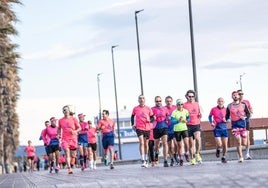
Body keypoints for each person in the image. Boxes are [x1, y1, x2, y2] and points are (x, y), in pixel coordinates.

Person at [225, 91, 250, 162]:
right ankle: (240, 157)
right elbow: (227, 115)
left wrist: (245, 117)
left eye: (236, 95)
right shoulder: (229, 106)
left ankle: (243, 153)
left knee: (244, 143)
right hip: (234, 126)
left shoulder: (243, 105)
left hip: (242, 125)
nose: (235, 96)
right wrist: (228, 119)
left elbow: (248, 114)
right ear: (232, 97)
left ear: (239, 96)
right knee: (238, 141)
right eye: (234, 95)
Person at [131, 95, 154, 168]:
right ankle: (143, 159)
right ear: (138, 100)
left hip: (147, 128)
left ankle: (146, 159)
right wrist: (132, 124)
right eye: (140, 98)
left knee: (146, 144)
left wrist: (149, 120)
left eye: (143, 98)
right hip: (139, 127)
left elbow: (152, 117)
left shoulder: (148, 108)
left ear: (145, 100)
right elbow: (132, 116)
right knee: (141, 142)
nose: (141, 100)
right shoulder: (135, 108)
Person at [58, 105, 81, 174]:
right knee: (67, 153)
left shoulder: (74, 119)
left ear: (69, 111)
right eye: (64, 110)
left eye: (67, 110)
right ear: (63, 112)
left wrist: (75, 131)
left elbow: (79, 128)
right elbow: (59, 128)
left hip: (73, 138)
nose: (65, 111)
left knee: (73, 155)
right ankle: (69, 168)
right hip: (65, 139)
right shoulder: (60, 120)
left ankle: (71, 164)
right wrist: (59, 135)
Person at [183, 90, 202, 165]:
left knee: (198, 139)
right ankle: (192, 158)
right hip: (188, 125)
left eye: (192, 96)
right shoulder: (184, 105)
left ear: (194, 97)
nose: (191, 98)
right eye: (189, 96)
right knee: (191, 144)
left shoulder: (197, 104)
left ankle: (197, 153)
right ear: (187, 96)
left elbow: (200, 112)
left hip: (196, 124)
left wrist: (200, 114)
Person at [208, 97, 229, 163]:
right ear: (217, 102)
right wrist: (211, 122)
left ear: (224, 102)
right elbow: (209, 116)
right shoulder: (213, 109)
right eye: (219, 101)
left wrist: (227, 120)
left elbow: (230, 118)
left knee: (225, 144)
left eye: (222, 101)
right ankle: (218, 149)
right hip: (217, 128)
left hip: (224, 127)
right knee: (219, 144)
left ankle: (224, 157)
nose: (220, 102)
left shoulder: (227, 109)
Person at [151, 96, 170, 167]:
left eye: (159, 101)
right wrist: (153, 118)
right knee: (156, 146)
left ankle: (165, 160)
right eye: (157, 101)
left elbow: (168, 116)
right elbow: (150, 119)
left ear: (161, 101)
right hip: (156, 128)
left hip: (164, 127)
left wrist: (169, 118)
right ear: (155, 102)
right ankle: (156, 153)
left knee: (165, 143)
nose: (158, 102)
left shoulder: (165, 108)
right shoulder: (152, 109)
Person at [171, 99, 190, 166]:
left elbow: (188, 118)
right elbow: (172, 122)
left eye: (181, 104)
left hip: (184, 129)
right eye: (179, 104)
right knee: (179, 145)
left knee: (186, 143)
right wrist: (178, 120)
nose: (180, 106)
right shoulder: (174, 112)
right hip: (177, 130)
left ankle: (186, 153)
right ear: (177, 105)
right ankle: (181, 158)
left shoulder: (186, 111)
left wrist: (186, 121)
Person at [237, 89, 253, 160]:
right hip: (238, 123)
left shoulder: (247, 102)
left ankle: (247, 154)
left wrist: (250, 113)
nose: (241, 95)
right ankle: (240, 154)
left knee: (247, 137)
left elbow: (251, 109)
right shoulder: (234, 103)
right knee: (239, 139)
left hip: (246, 121)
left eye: (242, 94)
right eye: (239, 94)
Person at [165, 96, 178, 166]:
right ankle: (172, 159)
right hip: (167, 129)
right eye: (167, 101)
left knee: (176, 144)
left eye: (170, 101)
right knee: (170, 146)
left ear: (172, 101)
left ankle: (175, 154)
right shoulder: (164, 109)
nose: (168, 102)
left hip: (175, 128)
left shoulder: (175, 108)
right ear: (165, 102)